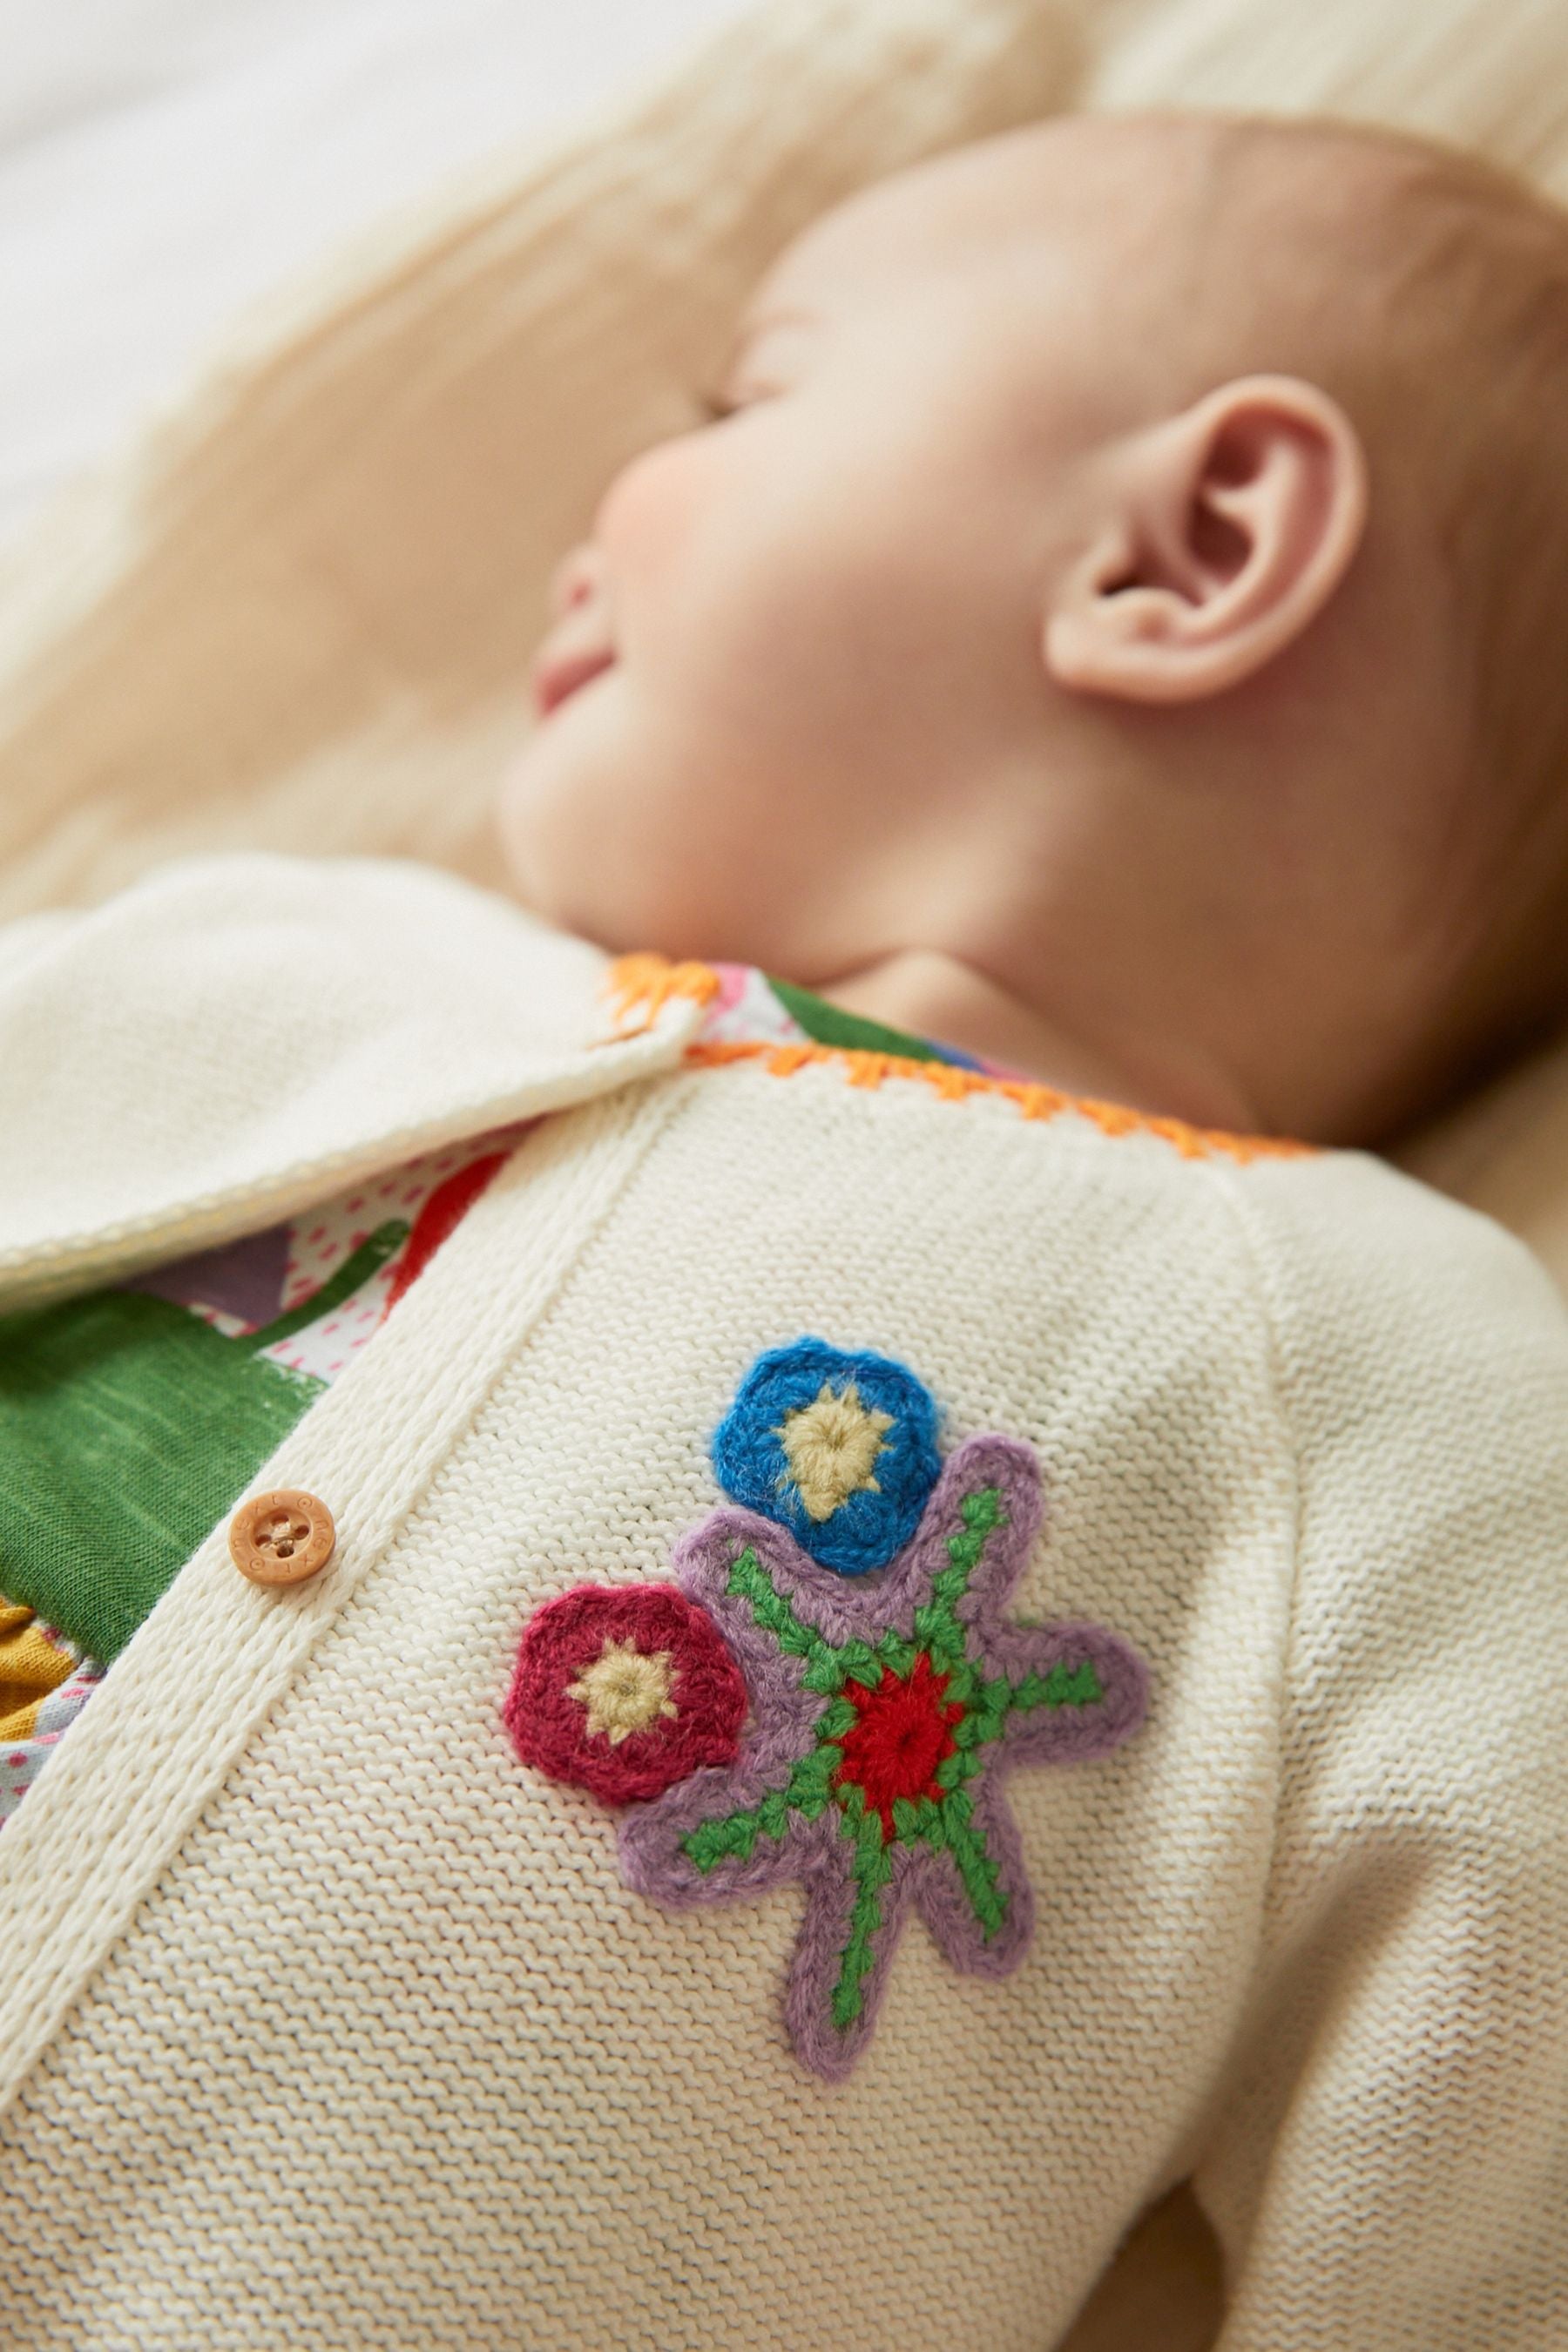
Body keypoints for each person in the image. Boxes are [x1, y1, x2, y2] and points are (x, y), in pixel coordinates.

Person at [1, 111, 1565, 2351]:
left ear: (1189, 548)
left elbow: (1506, 2139)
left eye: (747, 401)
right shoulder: (314, 958)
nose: (580, 533)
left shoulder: (1385, 1373)